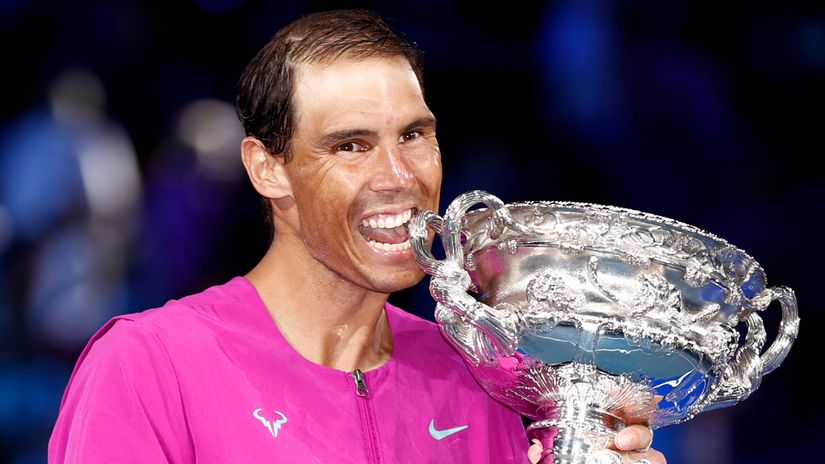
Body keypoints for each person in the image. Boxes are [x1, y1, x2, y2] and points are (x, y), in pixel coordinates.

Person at [49, 9, 665, 464]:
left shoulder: (491, 382)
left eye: (414, 135)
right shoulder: (150, 366)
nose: (399, 177)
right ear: (268, 168)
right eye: (351, 145)